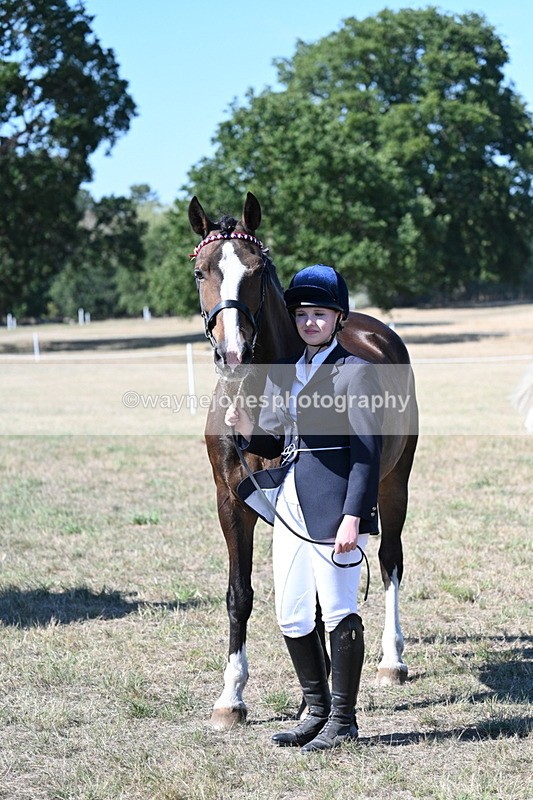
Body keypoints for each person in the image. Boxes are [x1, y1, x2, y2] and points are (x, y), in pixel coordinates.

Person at [224, 265, 382, 752]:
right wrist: (245, 423)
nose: (309, 322)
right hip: (289, 504)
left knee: (337, 608)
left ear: (338, 319)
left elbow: (367, 452)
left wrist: (354, 515)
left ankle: (343, 720)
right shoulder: (291, 372)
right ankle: (314, 712)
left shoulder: (356, 372)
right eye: (302, 314)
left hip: (333, 507)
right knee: (292, 613)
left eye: (320, 314)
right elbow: (275, 438)